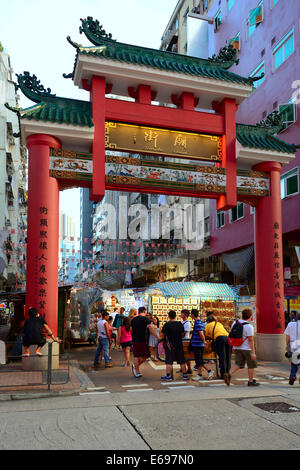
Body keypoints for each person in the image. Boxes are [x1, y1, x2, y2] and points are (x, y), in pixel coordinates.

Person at [224, 308, 259, 386]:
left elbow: (233, 335)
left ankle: (229, 374)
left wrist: (233, 346)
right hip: (246, 348)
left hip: (237, 347)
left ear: (242, 315)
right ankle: (250, 381)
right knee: (251, 364)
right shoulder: (249, 327)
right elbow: (250, 340)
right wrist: (253, 352)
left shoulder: (235, 323)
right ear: (250, 316)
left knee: (238, 364)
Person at [131, 306, 159, 377]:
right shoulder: (145, 319)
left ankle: (136, 371)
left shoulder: (133, 319)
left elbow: (131, 329)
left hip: (134, 340)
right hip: (142, 340)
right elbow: (151, 329)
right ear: (144, 311)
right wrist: (157, 337)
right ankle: (135, 366)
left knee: (136, 356)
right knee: (146, 355)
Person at [160, 310, 188, 381]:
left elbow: (162, 335)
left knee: (169, 360)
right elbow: (183, 334)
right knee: (181, 360)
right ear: (175, 316)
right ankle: (185, 375)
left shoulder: (166, 325)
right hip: (179, 344)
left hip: (169, 344)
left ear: (168, 316)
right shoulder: (180, 324)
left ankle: (168, 376)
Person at [190, 309, 214, 381]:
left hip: (198, 344)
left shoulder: (197, 322)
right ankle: (200, 374)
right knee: (199, 360)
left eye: (191, 314)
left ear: (193, 315)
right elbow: (204, 331)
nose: (190, 315)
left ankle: (208, 371)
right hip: (198, 344)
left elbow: (201, 333)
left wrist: (204, 341)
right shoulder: (200, 322)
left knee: (199, 360)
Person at [205, 314, 231, 379]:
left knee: (222, 357)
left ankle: (223, 374)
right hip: (228, 338)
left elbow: (205, 335)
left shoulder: (208, 325)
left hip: (220, 339)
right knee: (228, 357)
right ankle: (228, 373)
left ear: (208, 321)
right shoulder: (219, 324)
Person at [285, 312, 300, 385]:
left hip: (294, 344)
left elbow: (287, 336)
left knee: (294, 363)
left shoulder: (290, 324)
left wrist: (287, 345)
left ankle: (292, 377)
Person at [180, 309, 193, 374]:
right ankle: (182, 368)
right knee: (182, 355)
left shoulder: (187, 323)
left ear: (185, 315)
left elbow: (184, 333)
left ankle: (189, 368)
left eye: (182, 313)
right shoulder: (182, 322)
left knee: (187, 355)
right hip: (182, 340)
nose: (180, 314)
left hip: (185, 340)